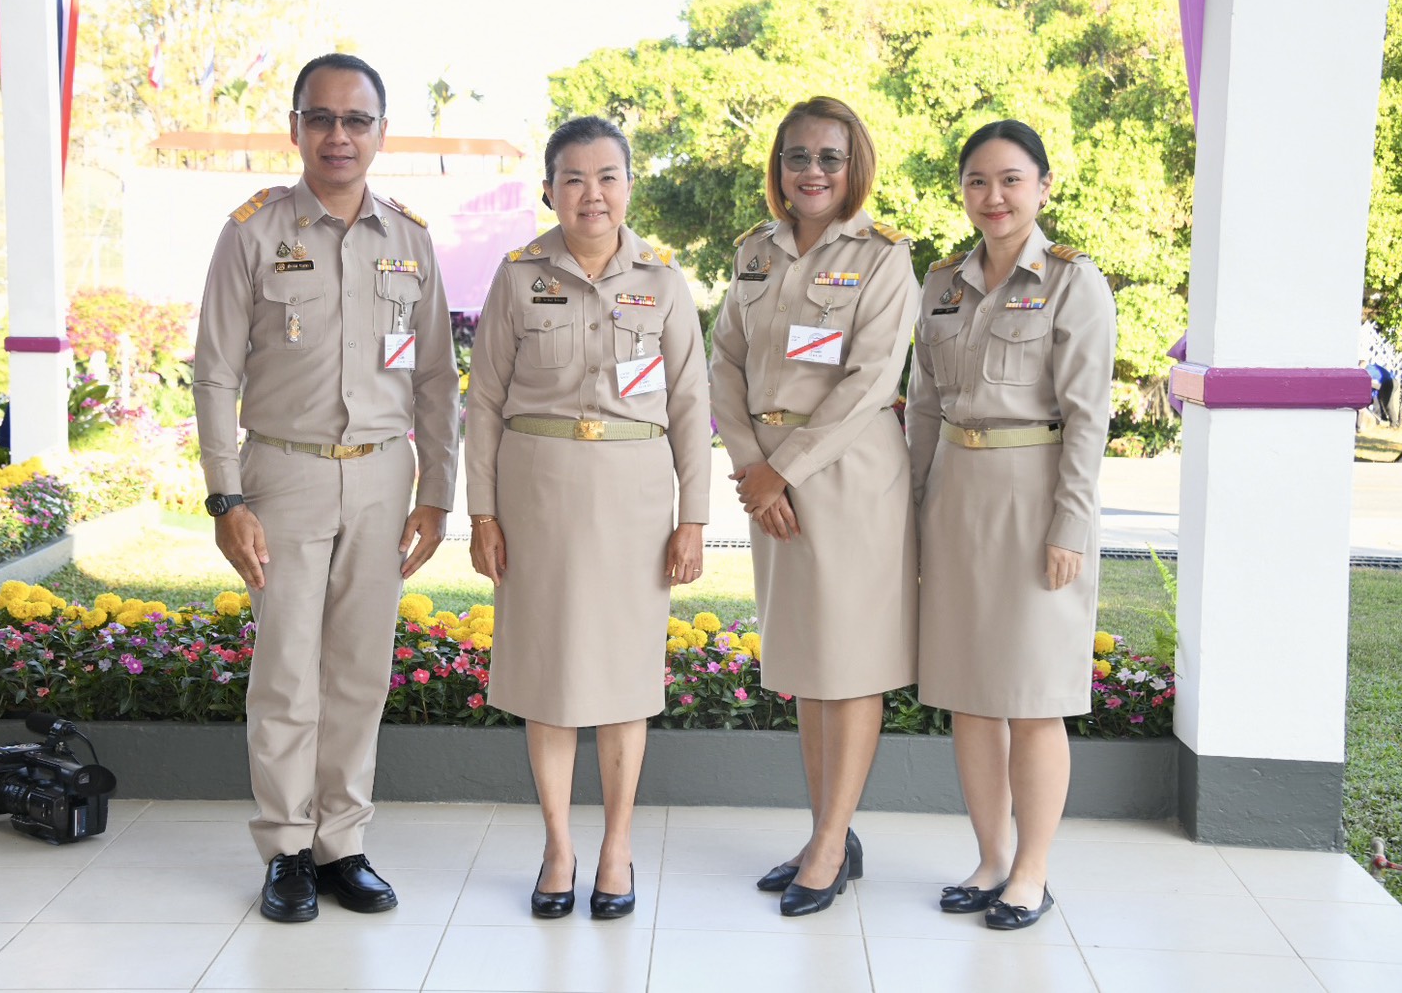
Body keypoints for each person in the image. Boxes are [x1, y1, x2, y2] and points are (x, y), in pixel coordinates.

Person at [193, 53, 460, 923]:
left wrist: (437, 493)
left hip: (383, 475)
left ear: (381, 132)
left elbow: (435, 377)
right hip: (285, 475)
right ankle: (286, 846)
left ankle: (341, 842)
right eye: (321, 118)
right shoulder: (253, 231)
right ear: (296, 127)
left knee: (358, 671)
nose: (338, 136)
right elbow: (213, 372)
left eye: (355, 120)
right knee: (285, 672)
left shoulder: (410, 239)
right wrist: (227, 497)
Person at [465, 116, 712, 920]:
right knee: (546, 676)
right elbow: (484, 402)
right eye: (573, 178)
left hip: (633, 500)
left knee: (623, 679)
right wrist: (482, 512)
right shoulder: (517, 276)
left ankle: (615, 846)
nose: (592, 194)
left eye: (607, 177)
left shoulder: (663, 282)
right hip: (536, 495)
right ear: (549, 190)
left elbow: (690, 403)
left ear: (629, 186)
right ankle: (557, 847)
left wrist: (693, 517)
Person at [710, 96, 920, 917]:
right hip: (768, 478)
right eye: (796, 156)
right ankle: (824, 832)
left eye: (829, 157)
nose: (811, 171)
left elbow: (871, 380)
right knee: (805, 662)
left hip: (848, 475)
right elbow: (723, 361)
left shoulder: (882, 257)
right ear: (779, 166)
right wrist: (750, 464)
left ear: (852, 165)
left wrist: (782, 470)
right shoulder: (753, 252)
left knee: (850, 661)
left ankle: (831, 845)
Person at [905, 120, 1115, 930]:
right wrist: (914, 510)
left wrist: (1070, 524)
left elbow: (1087, 417)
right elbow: (924, 406)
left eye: (1010, 180)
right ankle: (991, 857)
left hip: (1034, 500)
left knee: (1031, 696)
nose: (992, 196)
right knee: (969, 694)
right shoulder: (941, 284)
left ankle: (1030, 871)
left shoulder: (1071, 281)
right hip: (955, 496)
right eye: (976, 181)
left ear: (1042, 186)